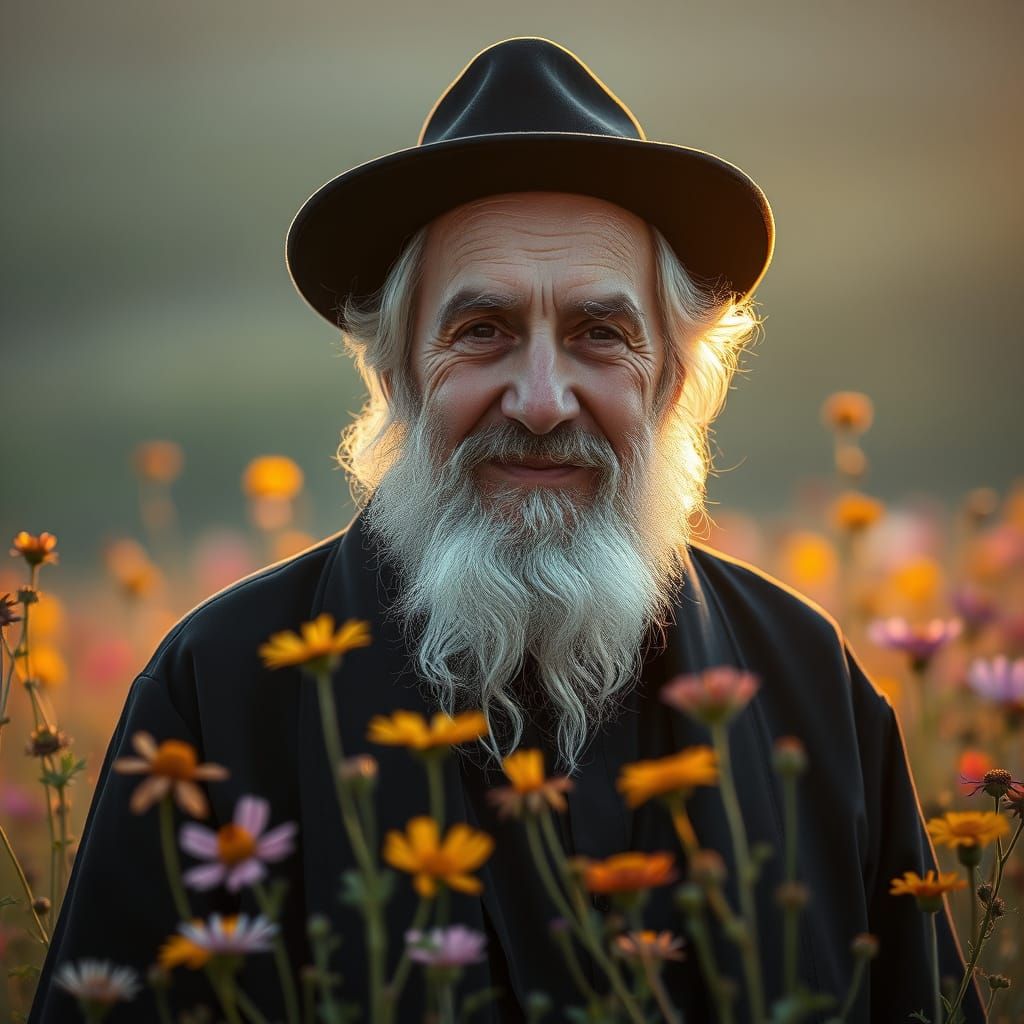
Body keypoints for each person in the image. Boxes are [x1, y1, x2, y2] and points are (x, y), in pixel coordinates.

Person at [30, 36, 984, 1023]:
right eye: (481, 330)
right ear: (397, 373)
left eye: (599, 335)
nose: (537, 400)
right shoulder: (220, 691)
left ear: (669, 381)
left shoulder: (808, 685)